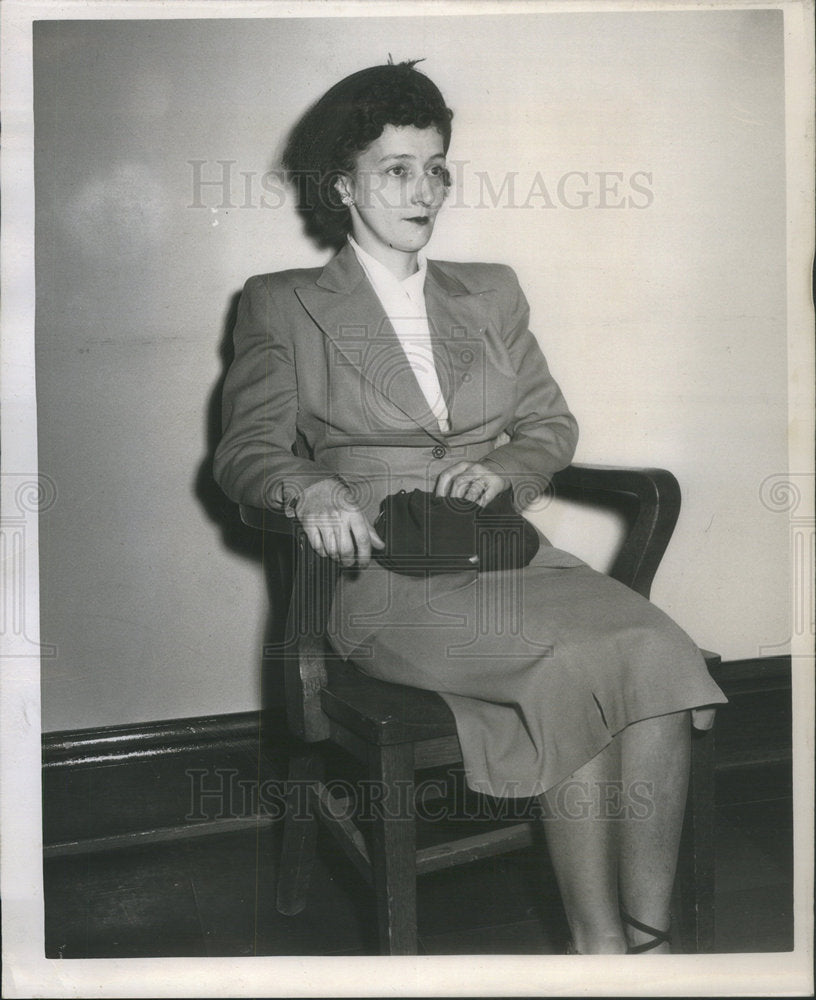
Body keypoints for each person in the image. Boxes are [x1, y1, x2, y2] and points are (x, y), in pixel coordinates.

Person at [213, 60, 727, 955]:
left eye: (437, 166)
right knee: (576, 669)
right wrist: (310, 487)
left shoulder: (490, 290)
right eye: (397, 169)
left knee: (654, 650)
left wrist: (510, 471)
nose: (425, 190)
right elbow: (245, 451)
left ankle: (651, 943)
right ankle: (599, 949)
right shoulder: (282, 305)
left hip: (504, 550)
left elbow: (549, 423)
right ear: (342, 185)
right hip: (378, 567)